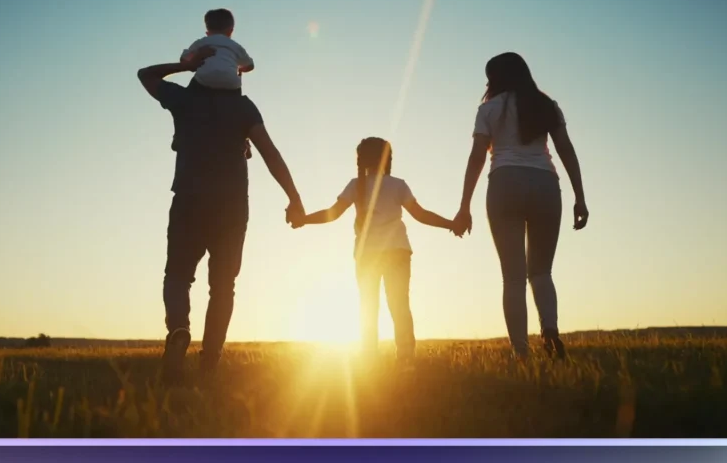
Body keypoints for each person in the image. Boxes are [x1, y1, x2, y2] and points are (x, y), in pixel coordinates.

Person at [137, 47, 304, 385]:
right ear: (234, 73)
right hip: (230, 207)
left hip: (188, 200)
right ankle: (210, 362)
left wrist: (183, 66)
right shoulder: (243, 107)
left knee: (178, 276)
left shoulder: (184, 100)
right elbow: (270, 152)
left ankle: (179, 329)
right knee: (223, 286)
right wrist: (294, 198)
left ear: (200, 70)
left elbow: (146, 74)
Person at [452, 52, 589, 361]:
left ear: (495, 78)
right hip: (545, 184)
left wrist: (464, 206)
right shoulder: (546, 106)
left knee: (513, 277)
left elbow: (476, 157)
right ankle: (550, 333)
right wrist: (580, 197)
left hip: (505, 183)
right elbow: (565, 149)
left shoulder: (489, 109)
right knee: (541, 271)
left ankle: (521, 352)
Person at [291, 137, 460, 363]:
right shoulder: (398, 185)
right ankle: (406, 360)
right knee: (399, 305)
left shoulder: (356, 185)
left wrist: (304, 219)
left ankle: (369, 360)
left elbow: (331, 214)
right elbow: (421, 215)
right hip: (397, 251)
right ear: (388, 159)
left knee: (368, 306)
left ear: (361, 160)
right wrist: (451, 224)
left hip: (367, 255)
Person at [174, 8, 255, 157]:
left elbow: (183, 60)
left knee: (188, 99)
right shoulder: (236, 46)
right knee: (237, 106)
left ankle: (179, 135)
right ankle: (244, 140)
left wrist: (197, 57)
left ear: (207, 31)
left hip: (205, 80)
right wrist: (240, 69)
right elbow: (250, 65)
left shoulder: (202, 42)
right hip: (231, 84)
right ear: (231, 31)